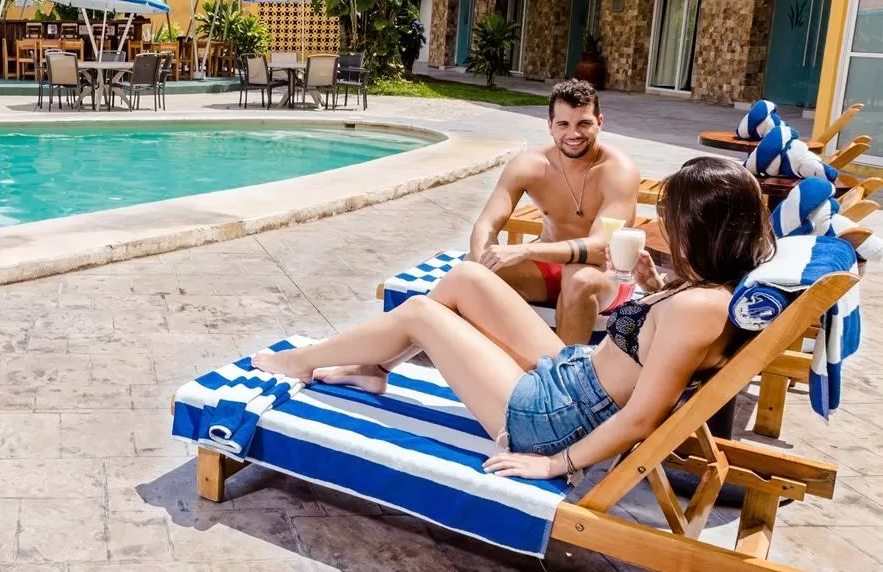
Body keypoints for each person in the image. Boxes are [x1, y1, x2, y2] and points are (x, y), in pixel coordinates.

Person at [253, 157, 771, 481]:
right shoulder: (709, 290)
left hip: (550, 420)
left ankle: (301, 361)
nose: (662, 226)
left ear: (701, 228)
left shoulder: (698, 310)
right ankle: (374, 368)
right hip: (573, 374)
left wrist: (555, 463)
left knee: (420, 312)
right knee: (466, 278)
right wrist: (653, 288)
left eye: (670, 218)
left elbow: (642, 416)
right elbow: (653, 342)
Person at [469, 79, 641, 346]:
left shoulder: (618, 170)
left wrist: (526, 250)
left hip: (606, 274)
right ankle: (506, 357)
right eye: (563, 124)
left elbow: (600, 249)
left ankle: (564, 368)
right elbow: (486, 225)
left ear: (600, 122)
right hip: (548, 270)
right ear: (549, 125)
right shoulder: (530, 164)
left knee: (579, 279)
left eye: (584, 123)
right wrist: (483, 261)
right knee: (473, 269)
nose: (573, 133)